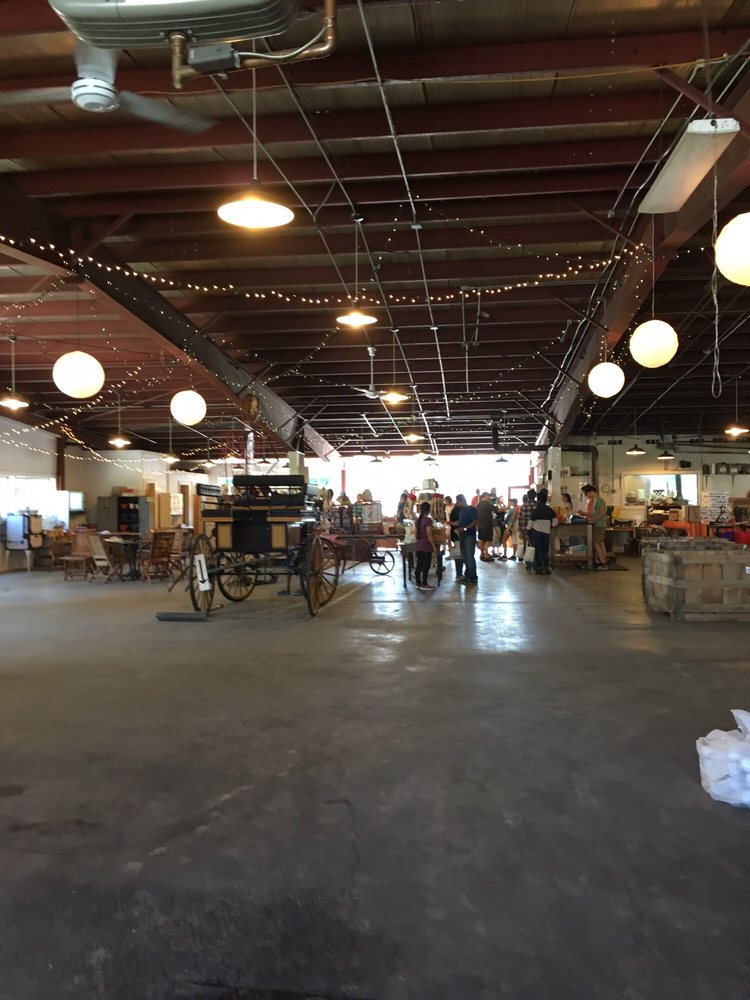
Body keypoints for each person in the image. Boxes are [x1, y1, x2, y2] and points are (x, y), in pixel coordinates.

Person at [580, 483, 609, 569]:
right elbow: (596, 513)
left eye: (587, 494)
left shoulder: (599, 500)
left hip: (599, 524)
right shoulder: (597, 500)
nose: (587, 496)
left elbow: (603, 513)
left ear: (591, 491)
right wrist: (587, 515)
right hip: (599, 524)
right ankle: (602, 561)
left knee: (596, 543)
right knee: (600, 543)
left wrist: (594, 520)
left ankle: (603, 563)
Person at [530, 488, 557, 575]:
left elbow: (530, 523)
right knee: (545, 550)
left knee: (538, 550)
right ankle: (546, 567)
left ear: (538, 500)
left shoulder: (536, 511)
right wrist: (550, 527)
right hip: (546, 533)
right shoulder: (550, 510)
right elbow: (555, 522)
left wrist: (527, 531)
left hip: (536, 532)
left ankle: (539, 568)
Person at [414, 501, 437, 591]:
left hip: (419, 544)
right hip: (426, 545)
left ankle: (418, 582)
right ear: (429, 510)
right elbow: (429, 534)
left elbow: (416, 533)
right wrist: (433, 546)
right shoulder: (428, 520)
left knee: (419, 564)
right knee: (426, 565)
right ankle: (424, 583)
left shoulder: (418, 520)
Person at [457, 495, 479, 585]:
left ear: (462, 501)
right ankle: (468, 575)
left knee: (470, 557)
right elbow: (460, 522)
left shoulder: (472, 509)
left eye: (458, 502)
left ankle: (473, 577)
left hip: (470, 536)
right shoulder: (461, 511)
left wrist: (465, 528)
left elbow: (475, 521)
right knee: (464, 557)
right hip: (462, 536)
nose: (457, 504)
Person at [448, 494, 466, 580]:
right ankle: (459, 573)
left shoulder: (457, 509)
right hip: (457, 534)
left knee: (461, 555)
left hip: (458, 534)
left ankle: (461, 573)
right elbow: (456, 523)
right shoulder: (457, 510)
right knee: (459, 555)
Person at [517, 488, 537, 563]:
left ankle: (525, 559)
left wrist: (520, 528)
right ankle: (533, 559)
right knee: (533, 544)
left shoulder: (523, 506)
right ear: (535, 496)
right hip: (535, 528)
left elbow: (520, 518)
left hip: (524, 527)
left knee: (524, 543)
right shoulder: (537, 505)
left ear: (528, 496)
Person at [476, 491, 495, 561]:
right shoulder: (488, 504)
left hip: (480, 525)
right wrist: (507, 508)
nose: (489, 498)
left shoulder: (478, 505)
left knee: (481, 540)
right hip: (487, 525)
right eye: (488, 496)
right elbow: (497, 510)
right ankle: (486, 555)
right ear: (484, 497)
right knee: (488, 540)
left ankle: (482, 554)